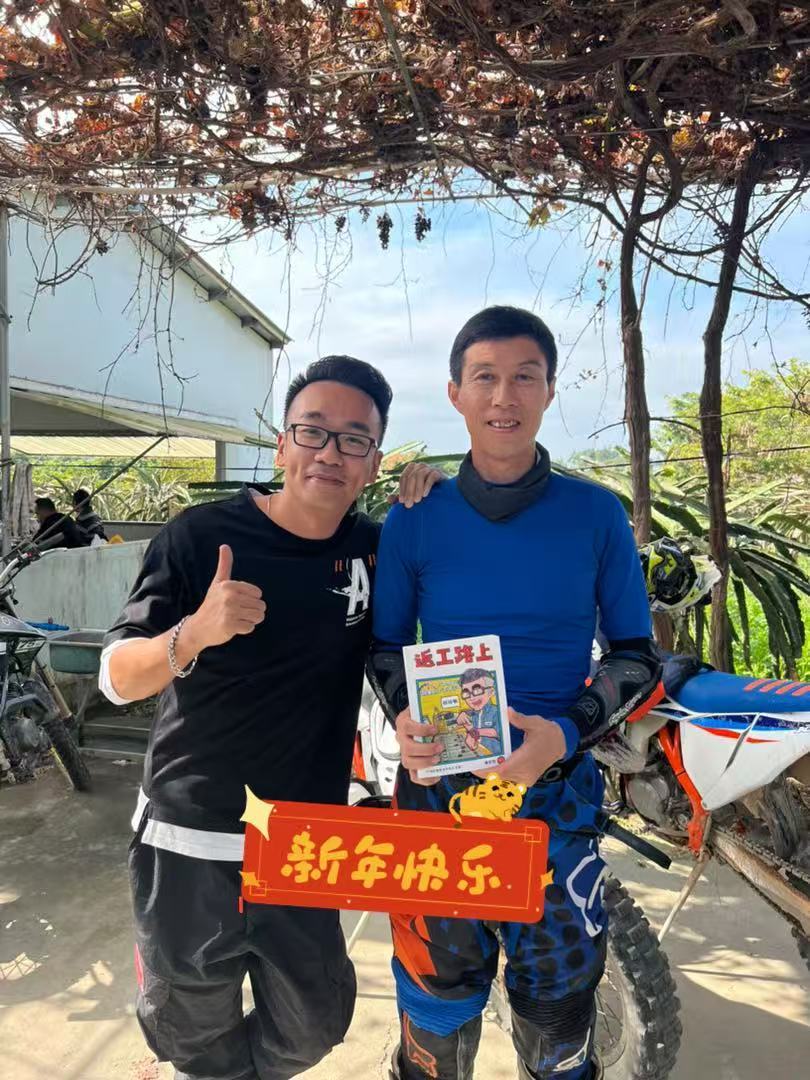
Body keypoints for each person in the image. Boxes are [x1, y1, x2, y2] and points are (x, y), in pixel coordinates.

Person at [98, 355, 441, 1080]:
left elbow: (410, 631)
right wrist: (194, 633)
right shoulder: (200, 537)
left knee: (314, 1022)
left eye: (354, 439)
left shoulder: (377, 549)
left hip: (304, 840)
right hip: (190, 837)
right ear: (282, 445)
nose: (330, 453)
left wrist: (440, 499)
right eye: (312, 431)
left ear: (375, 461)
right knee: (192, 1032)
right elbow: (117, 679)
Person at [369, 306, 662, 1080]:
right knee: (434, 1005)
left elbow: (635, 657)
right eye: (486, 378)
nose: (505, 396)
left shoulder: (595, 514)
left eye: (525, 377)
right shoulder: (414, 516)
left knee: (558, 1011)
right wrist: (404, 714)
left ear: (550, 390)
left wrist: (563, 735)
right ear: (456, 394)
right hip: (437, 797)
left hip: (557, 798)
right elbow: (385, 644)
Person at [456, 667, 502, 756]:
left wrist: (474, 733)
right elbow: (468, 717)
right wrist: (461, 717)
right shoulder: (474, 713)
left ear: (491, 692)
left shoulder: (496, 711)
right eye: (466, 693)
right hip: (480, 752)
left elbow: (496, 732)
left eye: (477, 690)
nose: (471, 697)